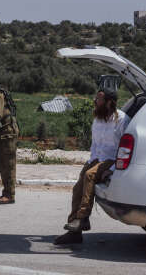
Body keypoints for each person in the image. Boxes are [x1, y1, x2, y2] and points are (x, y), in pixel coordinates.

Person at [54, 89, 129, 245]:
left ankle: (82, 219)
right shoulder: (98, 119)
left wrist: (113, 169)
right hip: (97, 158)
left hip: (111, 159)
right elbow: (95, 144)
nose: (95, 100)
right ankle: (74, 233)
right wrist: (91, 161)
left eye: (99, 99)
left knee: (90, 175)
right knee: (77, 189)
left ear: (109, 102)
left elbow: (124, 148)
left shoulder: (121, 119)